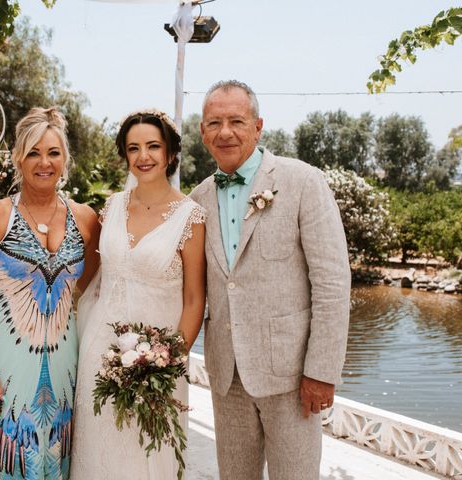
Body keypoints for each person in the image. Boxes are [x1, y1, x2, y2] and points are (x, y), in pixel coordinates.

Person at [189, 80, 351, 480]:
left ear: (258, 127)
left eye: (236, 121)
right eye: (214, 122)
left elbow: (332, 283)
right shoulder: (198, 199)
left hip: (293, 378)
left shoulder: (302, 182)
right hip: (227, 376)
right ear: (202, 132)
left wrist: (322, 371)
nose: (225, 132)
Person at [0, 107, 100, 479]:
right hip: (3, 363)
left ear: (65, 159)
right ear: (18, 158)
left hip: (63, 365)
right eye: (34, 153)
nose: (44, 162)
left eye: (53, 153)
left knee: (53, 463)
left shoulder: (86, 219)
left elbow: (91, 280)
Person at [70, 109, 206, 479]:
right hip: (99, 350)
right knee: (97, 447)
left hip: (158, 360)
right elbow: (88, 276)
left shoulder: (190, 217)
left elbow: (195, 298)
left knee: (146, 455)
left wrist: (168, 360)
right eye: (133, 148)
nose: (143, 156)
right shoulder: (111, 207)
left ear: (170, 153)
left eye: (152, 146)